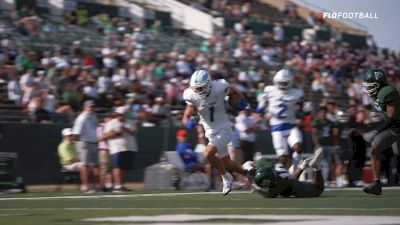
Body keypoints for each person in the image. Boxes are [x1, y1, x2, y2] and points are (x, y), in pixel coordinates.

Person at [182, 69, 248, 195]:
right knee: (228, 164)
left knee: (208, 154)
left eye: (201, 87)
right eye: (197, 88)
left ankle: (226, 177)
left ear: (208, 84)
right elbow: (186, 116)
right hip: (210, 132)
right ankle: (249, 173)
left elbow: (233, 90)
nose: (199, 90)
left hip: (224, 128)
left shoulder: (219, 87)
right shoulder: (190, 94)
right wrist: (187, 122)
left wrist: (240, 99)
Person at [257, 69, 304, 172]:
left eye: (285, 82)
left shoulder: (297, 92)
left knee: (298, 147)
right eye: (281, 82)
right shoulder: (269, 90)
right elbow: (259, 109)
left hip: (291, 125)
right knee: (283, 157)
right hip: (276, 128)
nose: (283, 84)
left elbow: (301, 108)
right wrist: (262, 103)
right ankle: (283, 174)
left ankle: (294, 166)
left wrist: (300, 114)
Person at [362, 69, 400, 195]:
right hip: (394, 127)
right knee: (374, 148)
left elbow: (391, 118)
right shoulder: (378, 94)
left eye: (371, 86)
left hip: (396, 126)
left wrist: (375, 131)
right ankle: (376, 183)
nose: (368, 89)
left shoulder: (387, 92)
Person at [243, 147, 324, 198]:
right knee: (291, 181)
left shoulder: (270, 191)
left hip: (286, 182)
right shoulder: (264, 166)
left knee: (318, 189)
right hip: (282, 173)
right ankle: (303, 165)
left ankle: (317, 168)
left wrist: (254, 184)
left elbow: (246, 165)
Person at [103, 106, 138, 193]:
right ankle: (117, 186)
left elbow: (135, 133)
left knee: (124, 168)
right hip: (117, 148)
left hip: (129, 147)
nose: (121, 116)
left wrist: (126, 129)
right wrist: (116, 132)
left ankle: (121, 185)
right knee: (117, 167)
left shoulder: (130, 122)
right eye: (120, 115)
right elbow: (104, 135)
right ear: (116, 115)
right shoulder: (111, 123)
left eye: (123, 115)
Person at [71, 100, 100, 193]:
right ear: (85, 107)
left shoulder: (94, 116)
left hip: (94, 142)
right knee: (85, 165)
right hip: (85, 142)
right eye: (90, 107)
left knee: (96, 165)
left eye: (93, 106)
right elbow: (76, 133)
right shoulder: (81, 118)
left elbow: (96, 128)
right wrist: (78, 146)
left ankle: (95, 187)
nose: (92, 108)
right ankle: (85, 186)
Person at [311, 105, 339, 186]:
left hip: (329, 145)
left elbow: (334, 135)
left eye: (324, 112)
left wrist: (334, 146)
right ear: (318, 113)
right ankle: (318, 180)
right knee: (318, 164)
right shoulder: (316, 122)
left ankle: (325, 180)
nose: (323, 114)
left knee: (327, 164)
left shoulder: (330, 122)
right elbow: (314, 134)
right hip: (320, 145)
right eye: (321, 112)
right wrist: (317, 145)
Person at [97, 113, 113, 192]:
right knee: (104, 169)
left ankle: (109, 185)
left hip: (112, 149)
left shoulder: (112, 126)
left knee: (110, 168)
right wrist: (111, 134)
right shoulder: (101, 126)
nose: (110, 119)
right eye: (108, 117)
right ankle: (102, 186)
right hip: (104, 149)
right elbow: (100, 137)